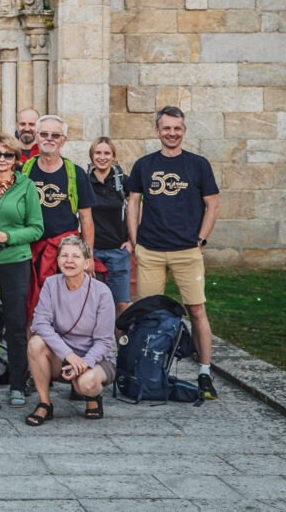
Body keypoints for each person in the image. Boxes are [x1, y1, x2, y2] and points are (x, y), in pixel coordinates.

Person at [127, 106, 221, 399]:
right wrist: (135, 241)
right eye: (166, 128)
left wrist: (201, 240)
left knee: (196, 310)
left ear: (184, 131)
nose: (171, 133)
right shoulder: (144, 164)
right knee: (150, 315)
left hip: (186, 251)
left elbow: (213, 204)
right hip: (151, 250)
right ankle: (148, 371)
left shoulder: (198, 164)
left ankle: (204, 372)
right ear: (157, 130)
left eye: (177, 128)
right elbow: (133, 203)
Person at [0, 133, 44, 407]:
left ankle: (17, 383)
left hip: (15, 259)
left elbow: (37, 227)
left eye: (8, 155)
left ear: (16, 159)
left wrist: (8, 237)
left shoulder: (26, 186)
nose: (2, 160)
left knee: (15, 323)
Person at [25, 236, 115, 425]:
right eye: (64, 255)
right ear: (57, 260)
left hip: (97, 358)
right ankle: (44, 403)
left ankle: (93, 397)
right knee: (35, 342)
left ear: (87, 262)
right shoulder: (51, 284)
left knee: (86, 384)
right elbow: (40, 324)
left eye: (76, 256)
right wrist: (69, 355)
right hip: (64, 355)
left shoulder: (102, 292)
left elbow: (104, 341)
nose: (69, 261)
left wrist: (84, 363)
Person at [21, 114, 96, 322]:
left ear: (63, 140)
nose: (49, 138)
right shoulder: (23, 172)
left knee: (66, 306)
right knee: (31, 305)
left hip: (64, 252)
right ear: (36, 137)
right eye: (44, 134)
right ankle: (33, 351)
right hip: (31, 250)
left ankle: (65, 352)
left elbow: (86, 218)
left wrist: (87, 257)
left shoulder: (76, 174)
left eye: (55, 135)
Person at [88, 137, 132, 316]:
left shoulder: (124, 181)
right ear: (92, 156)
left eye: (107, 153)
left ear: (114, 157)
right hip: (93, 252)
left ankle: (122, 344)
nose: (102, 157)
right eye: (98, 152)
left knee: (121, 304)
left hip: (117, 251)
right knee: (92, 306)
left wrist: (131, 241)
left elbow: (137, 209)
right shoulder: (84, 181)